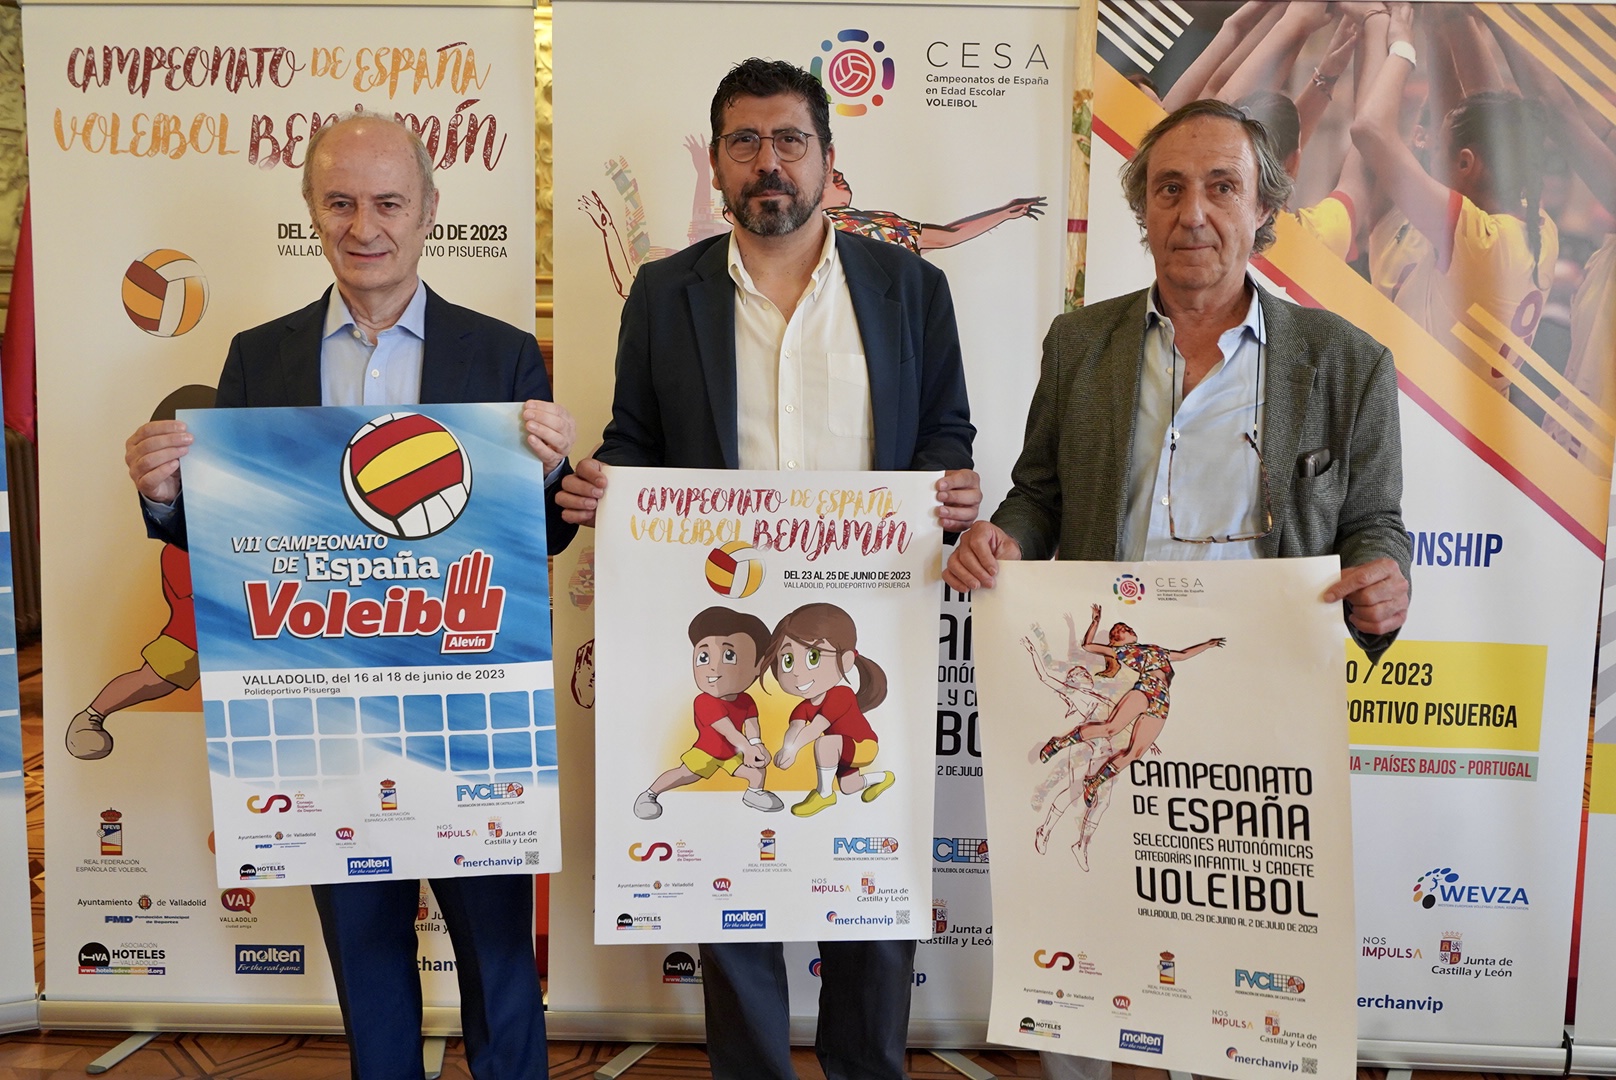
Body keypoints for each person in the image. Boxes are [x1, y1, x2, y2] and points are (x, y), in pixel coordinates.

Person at [943, 98, 1410, 1080]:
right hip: (1117, 682)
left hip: (1258, 707)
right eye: (1168, 188)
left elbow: (1373, 522)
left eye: (1220, 187)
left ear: (1263, 210)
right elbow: (1039, 493)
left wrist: (1384, 580)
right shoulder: (1080, 344)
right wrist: (1004, 539)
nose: (1192, 211)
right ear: (1143, 209)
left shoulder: (1346, 363)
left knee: (1235, 964)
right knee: (1084, 929)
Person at [122, 113, 577, 1080]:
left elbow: (538, 540)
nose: (364, 226)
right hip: (320, 716)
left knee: (500, 962)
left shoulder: (503, 356)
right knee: (366, 963)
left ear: (429, 211)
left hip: (467, 718)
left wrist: (549, 475)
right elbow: (232, 544)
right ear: (311, 211)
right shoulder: (259, 358)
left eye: (387, 203)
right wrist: (165, 498)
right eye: (339, 203)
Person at [557, 56, 979, 1080]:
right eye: (744, 142)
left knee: (867, 864)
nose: (768, 163)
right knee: (727, 866)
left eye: (790, 140)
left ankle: (865, 1067)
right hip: (727, 620)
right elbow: (634, 439)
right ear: (717, 164)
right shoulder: (666, 293)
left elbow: (945, 430)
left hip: (863, 623)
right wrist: (608, 486)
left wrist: (949, 489)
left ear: (827, 157)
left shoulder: (910, 288)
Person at [1350, 3, 1557, 396]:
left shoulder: (1478, 241)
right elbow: (1487, 119)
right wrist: (1439, 23)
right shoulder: (1538, 227)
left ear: (1466, 163)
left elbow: (1370, 130)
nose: (1430, 159)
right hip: (1474, 418)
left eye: (1436, 150)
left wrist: (1402, 46)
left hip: (1427, 418)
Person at [633, 606, 781, 819]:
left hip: (733, 753)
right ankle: (650, 794)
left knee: (757, 771)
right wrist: (748, 748)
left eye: (729, 656)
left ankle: (754, 793)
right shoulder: (704, 701)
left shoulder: (747, 700)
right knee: (684, 774)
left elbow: (751, 725)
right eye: (703, 657)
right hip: (706, 752)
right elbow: (728, 730)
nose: (714, 667)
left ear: (758, 665)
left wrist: (757, 745)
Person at [768, 602, 894, 816]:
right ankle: (884, 778)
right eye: (788, 660)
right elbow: (795, 728)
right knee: (849, 787)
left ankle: (825, 794)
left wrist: (794, 750)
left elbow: (815, 728)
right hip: (840, 750)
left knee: (824, 743)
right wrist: (786, 749)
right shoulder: (803, 707)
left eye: (813, 657)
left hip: (862, 745)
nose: (797, 672)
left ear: (846, 660)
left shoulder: (841, 695)